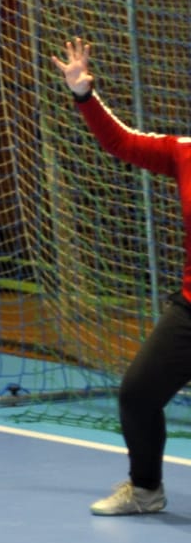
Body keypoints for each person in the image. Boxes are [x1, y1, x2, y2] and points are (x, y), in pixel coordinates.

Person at [57, 36, 187, 516]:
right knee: (137, 394)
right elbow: (121, 142)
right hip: (190, 311)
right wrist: (84, 95)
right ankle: (146, 490)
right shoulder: (184, 153)